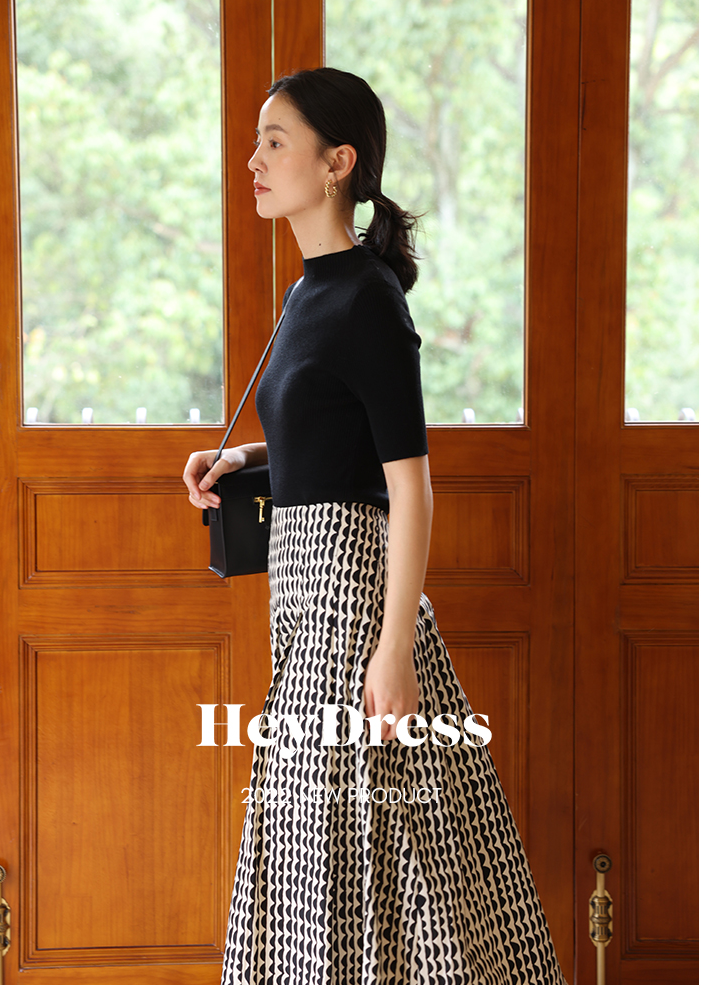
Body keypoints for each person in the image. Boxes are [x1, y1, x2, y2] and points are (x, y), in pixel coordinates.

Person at [183, 67, 565, 986]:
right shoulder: (307, 293)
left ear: (337, 163)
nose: (253, 160)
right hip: (302, 597)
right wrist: (240, 460)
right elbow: (331, 443)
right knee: (323, 835)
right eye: (257, 141)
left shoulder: (367, 299)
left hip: (353, 599)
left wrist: (394, 650)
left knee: (373, 834)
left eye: (276, 141)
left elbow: (409, 484)